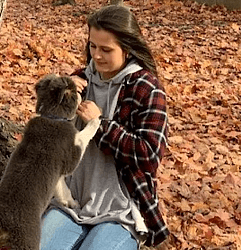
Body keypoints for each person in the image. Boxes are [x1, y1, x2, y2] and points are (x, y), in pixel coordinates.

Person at [40, 5, 169, 250]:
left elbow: (149, 156)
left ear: (128, 48)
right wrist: (59, 92)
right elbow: (48, 136)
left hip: (120, 211)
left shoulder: (146, 88)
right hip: (71, 203)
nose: (96, 56)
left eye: (106, 49)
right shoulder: (80, 79)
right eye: (92, 46)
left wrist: (99, 126)